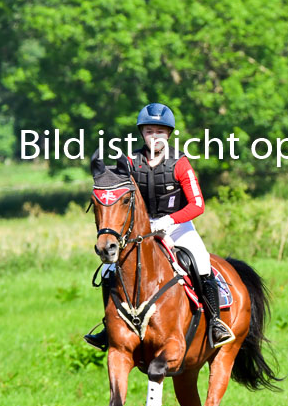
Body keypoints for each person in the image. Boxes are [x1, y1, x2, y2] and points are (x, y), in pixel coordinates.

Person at [85, 102, 235, 350]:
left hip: (178, 226)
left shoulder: (180, 164)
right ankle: (108, 326)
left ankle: (216, 323)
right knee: (107, 271)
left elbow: (198, 205)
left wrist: (170, 220)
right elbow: (114, 188)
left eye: (160, 132)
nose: (154, 137)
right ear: (142, 133)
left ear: (169, 135)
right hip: (142, 231)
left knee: (201, 261)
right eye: (149, 131)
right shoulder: (131, 162)